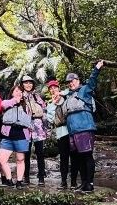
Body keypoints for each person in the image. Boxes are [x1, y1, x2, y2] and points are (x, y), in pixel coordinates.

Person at [64, 61, 105, 191]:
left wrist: (97, 68)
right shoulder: (69, 96)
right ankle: (84, 183)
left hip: (84, 128)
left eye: (73, 80)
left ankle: (90, 184)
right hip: (73, 131)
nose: (71, 83)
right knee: (79, 157)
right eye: (69, 82)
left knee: (87, 155)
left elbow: (92, 81)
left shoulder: (84, 91)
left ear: (78, 80)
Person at [0, 85, 32, 188]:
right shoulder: (6, 103)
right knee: (2, 159)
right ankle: (9, 179)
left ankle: (19, 181)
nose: (18, 92)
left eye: (20, 91)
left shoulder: (26, 105)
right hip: (7, 134)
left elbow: (30, 119)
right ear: (12, 93)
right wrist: (14, 101)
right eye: (16, 91)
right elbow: (3, 105)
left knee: (20, 159)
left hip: (21, 134)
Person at [45, 80, 74, 189]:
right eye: (51, 89)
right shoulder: (50, 104)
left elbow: (71, 90)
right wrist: (53, 103)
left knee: (74, 156)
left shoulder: (67, 97)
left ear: (59, 88)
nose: (53, 90)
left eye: (55, 88)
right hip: (61, 133)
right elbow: (51, 120)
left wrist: (61, 94)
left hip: (71, 131)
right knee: (64, 158)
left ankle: (74, 181)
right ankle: (63, 181)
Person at [20, 75, 48, 185]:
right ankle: (26, 177)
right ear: (22, 84)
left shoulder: (37, 97)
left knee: (40, 153)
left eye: (30, 83)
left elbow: (44, 111)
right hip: (25, 128)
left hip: (38, 127)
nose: (28, 85)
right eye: (26, 83)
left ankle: (41, 177)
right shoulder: (20, 96)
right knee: (26, 153)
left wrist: (46, 129)